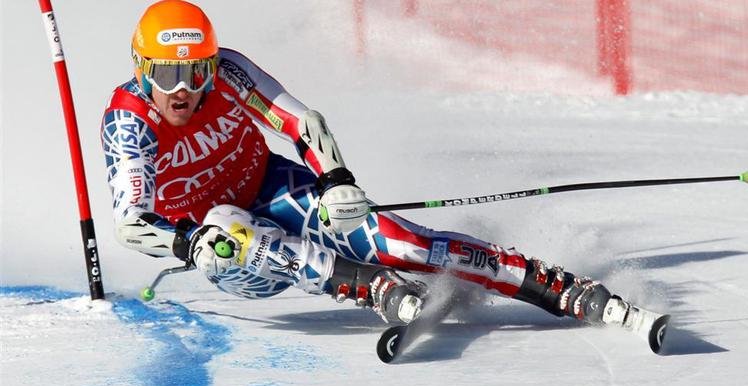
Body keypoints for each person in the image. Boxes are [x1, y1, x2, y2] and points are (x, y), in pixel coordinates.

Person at [102, 0, 637, 329]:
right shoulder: (130, 123)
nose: (184, 91)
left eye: (195, 73)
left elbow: (300, 122)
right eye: (168, 75)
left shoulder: (229, 74)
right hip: (230, 253)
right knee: (228, 234)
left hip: (271, 187)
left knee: (401, 242)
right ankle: (361, 284)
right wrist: (184, 244)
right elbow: (130, 222)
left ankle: (548, 284)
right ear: (142, 70)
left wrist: (337, 182)